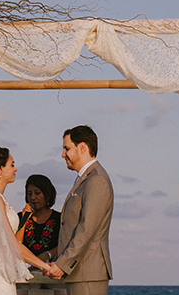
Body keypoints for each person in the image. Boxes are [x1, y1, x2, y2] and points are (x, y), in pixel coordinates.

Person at [0, 146, 56, 295]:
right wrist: (45, 267)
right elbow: (13, 245)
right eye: (12, 164)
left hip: (2, 274)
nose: (16, 169)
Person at [47, 125, 114, 295]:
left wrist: (62, 264)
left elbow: (86, 229)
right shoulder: (85, 179)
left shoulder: (96, 179)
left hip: (88, 274)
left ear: (82, 147)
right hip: (78, 274)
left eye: (67, 148)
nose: (63, 154)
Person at [16, 174, 61, 262]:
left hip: (52, 270)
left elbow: (66, 244)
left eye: (37, 193)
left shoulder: (59, 218)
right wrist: (24, 220)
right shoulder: (20, 217)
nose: (33, 197)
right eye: (29, 194)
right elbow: (16, 245)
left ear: (47, 194)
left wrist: (48, 254)